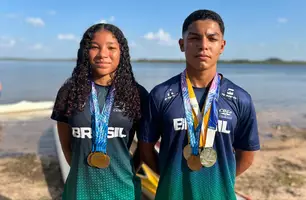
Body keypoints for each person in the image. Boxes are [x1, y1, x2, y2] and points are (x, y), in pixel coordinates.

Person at [138, 9, 260, 200]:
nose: (203, 46)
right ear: (182, 44)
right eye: (195, 38)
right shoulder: (160, 95)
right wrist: (172, 177)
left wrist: (220, 179)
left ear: (222, 45)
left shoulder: (240, 98)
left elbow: (247, 154)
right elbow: (146, 149)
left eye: (212, 39)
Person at [51, 23, 148, 200]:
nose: (103, 54)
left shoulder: (137, 94)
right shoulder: (69, 92)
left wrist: (127, 171)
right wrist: (84, 173)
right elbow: (66, 145)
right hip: (80, 190)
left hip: (122, 190)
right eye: (95, 47)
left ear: (122, 52)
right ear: (85, 52)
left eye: (111, 47)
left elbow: (144, 146)